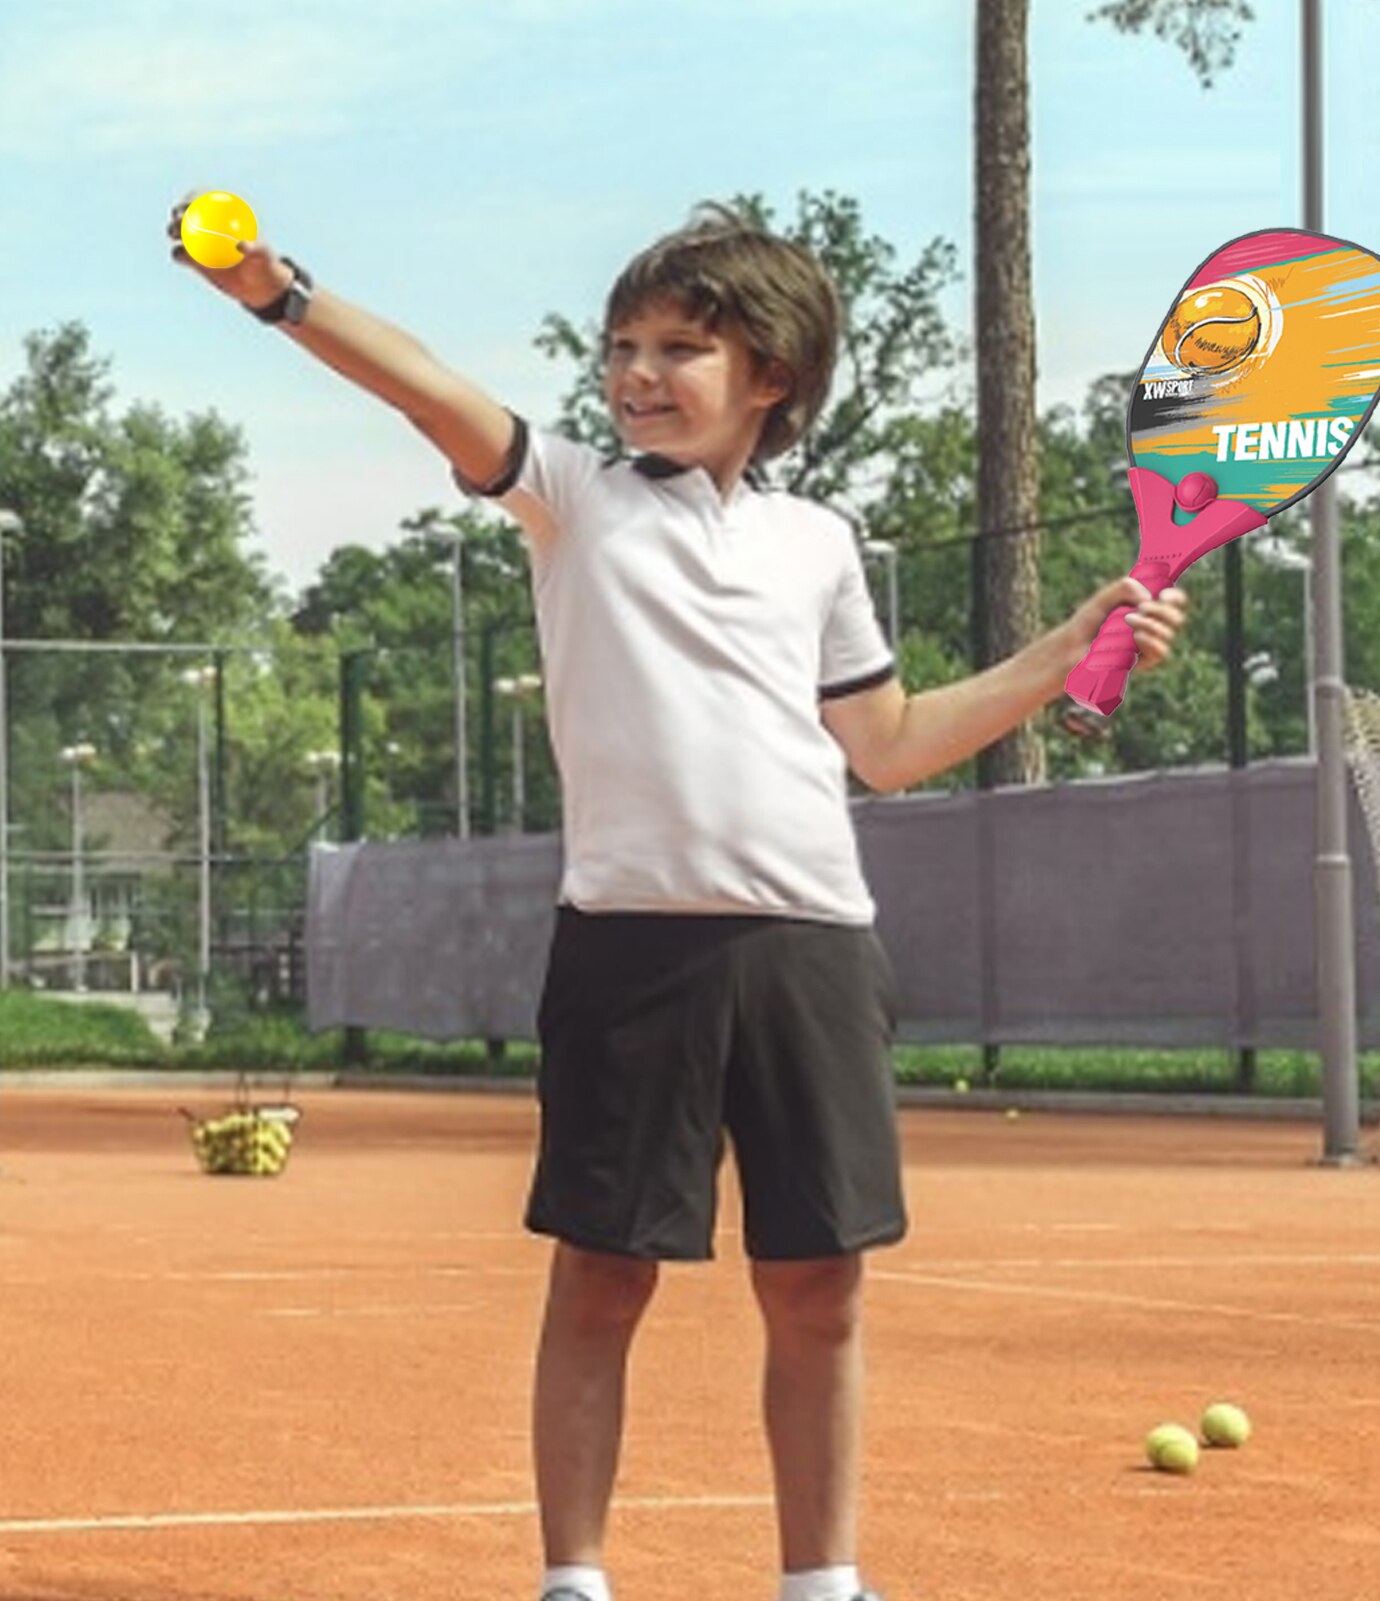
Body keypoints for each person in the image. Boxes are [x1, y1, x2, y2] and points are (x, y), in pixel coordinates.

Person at [169, 198, 1188, 1601]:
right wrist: (276, 292)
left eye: (680, 348)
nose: (638, 373)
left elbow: (884, 747)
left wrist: (1062, 646)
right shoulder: (572, 494)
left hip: (812, 945)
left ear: (769, 377)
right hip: (628, 950)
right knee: (601, 1273)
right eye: (623, 345)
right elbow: (431, 389)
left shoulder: (817, 544)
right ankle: (574, 1577)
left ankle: (820, 1579)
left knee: (818, 1285)